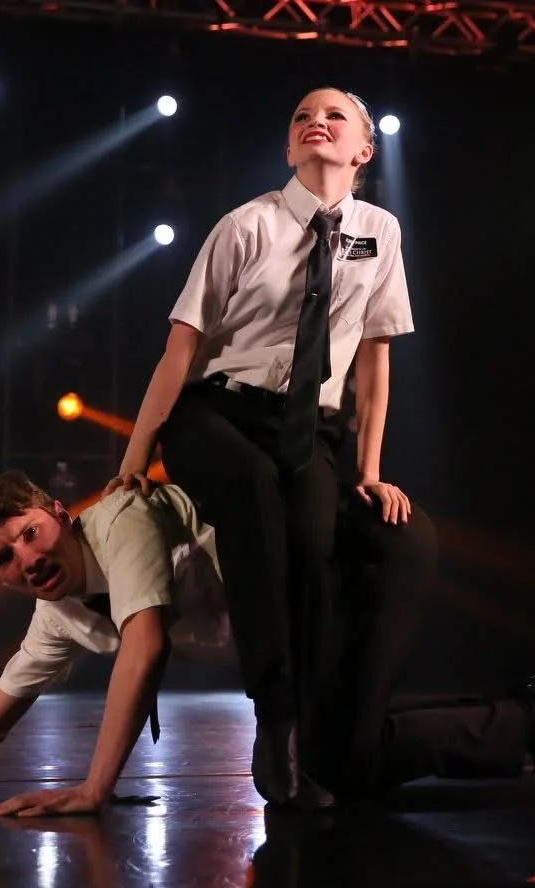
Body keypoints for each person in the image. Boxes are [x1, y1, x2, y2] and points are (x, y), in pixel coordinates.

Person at [0, 469, 535, 816]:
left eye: (27, 533)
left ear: (57, 513)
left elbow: (147, 645)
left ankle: (526, 720)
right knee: (322, 769)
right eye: (3, 559)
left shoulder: (119, 518)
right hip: (302, 616)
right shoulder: (58, 613)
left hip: (364, 555)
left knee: (328, 762)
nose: (26, 558)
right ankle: (526, 719)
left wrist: (94, 788)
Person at [109, 87, 415, 807]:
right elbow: (180, 350)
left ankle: (306, 724)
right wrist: (134, 458)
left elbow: (374, 362)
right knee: (252, 493)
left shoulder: (380, 230)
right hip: (217, 412)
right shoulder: (247, 225)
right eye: (302, 116)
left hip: (308, 425)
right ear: (288, 148)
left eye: (334, 116)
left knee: (313, 547)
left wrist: (369, 470)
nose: (316, 123)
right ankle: (273, 721)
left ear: (363, 150)